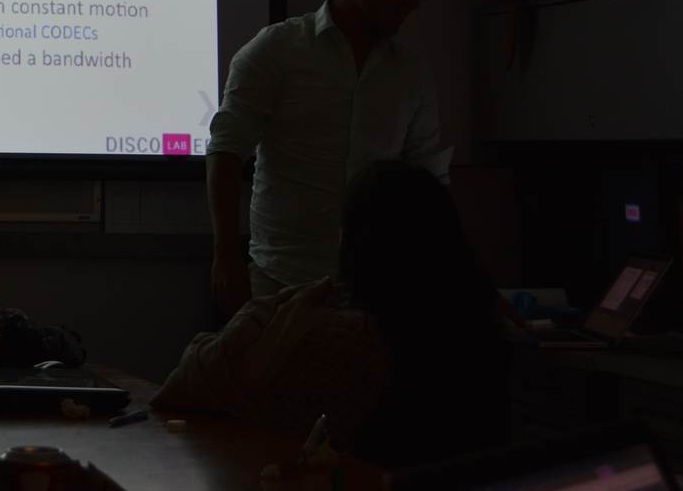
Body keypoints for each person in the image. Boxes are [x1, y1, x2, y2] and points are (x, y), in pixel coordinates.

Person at [156, 160, 509, 466]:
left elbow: (187, 383)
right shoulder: (480, 331)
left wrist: (277, 307)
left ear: (354, 245)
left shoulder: (345, 343)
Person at [207, 0, 447, 315]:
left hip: (376, 288)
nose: (414, 2)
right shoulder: (277, 50)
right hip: (280, 281)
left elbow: (428, 180)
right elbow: (227, 150)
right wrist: (225, 254)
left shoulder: (411, 73)